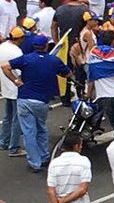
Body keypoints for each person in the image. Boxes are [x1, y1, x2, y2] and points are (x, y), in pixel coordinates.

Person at [3, 33, 70, 171]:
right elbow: (67, 73)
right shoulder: (53, 60)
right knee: (41, 128)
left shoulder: (26, 59)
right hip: (42, 101)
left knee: (28, 131)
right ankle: (44, 156)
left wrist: (16, 81)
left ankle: (34, 162)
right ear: (46, 46)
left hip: (24, 98)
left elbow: (5, 66)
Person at [0, 27, 24, 157]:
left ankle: (3, 141)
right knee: (17, 118)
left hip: (5, 86)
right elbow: (20, 72)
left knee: (7, 116)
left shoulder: (2, 46)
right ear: (19, 38)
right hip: (16, 87)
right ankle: (14, 147)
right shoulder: (16, 51)